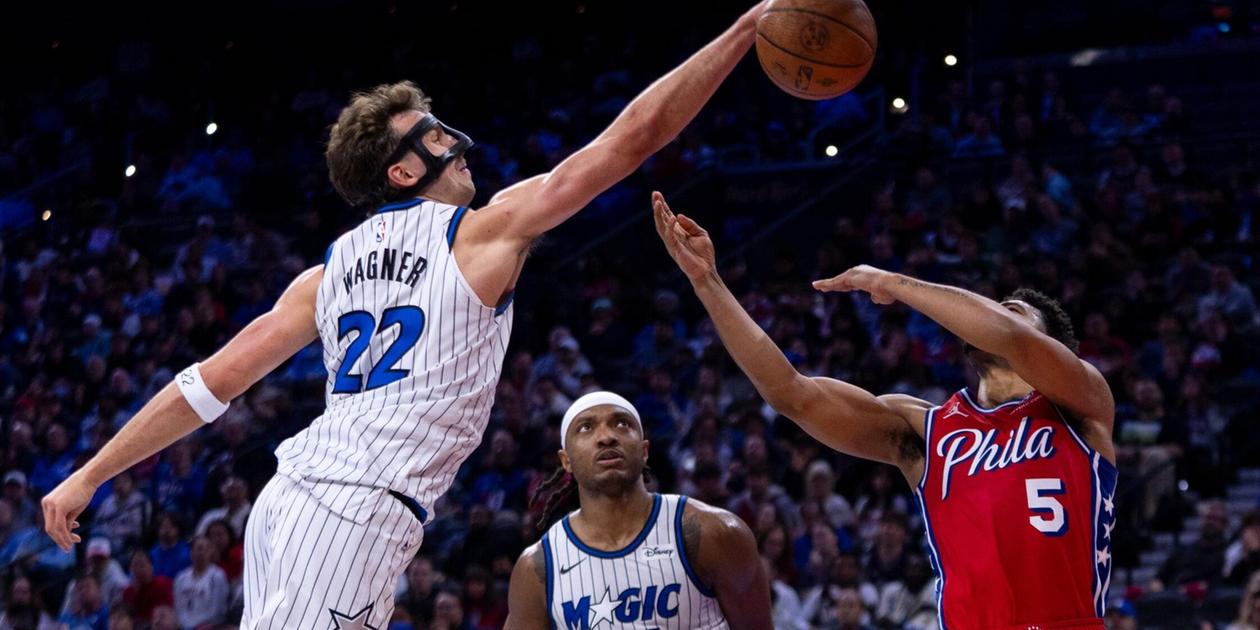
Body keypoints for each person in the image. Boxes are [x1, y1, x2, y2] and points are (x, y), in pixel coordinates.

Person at [40, 3, 770, 627]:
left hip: (298, 506)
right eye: (433, 135)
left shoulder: (321, 278)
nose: (453, 142)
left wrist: (89, 475)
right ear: (401, 171)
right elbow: (629, 140)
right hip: (349, 515)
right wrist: (747, 26)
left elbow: (204, 386)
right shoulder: (481, 233)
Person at [652, 192, 1118, 628]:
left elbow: (1010, 337)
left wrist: (890, 282)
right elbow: (791, 393)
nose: (991, 317)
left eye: (1011, 310)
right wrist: (706, 282)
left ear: (1052, 346)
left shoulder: (1079, 403)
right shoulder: (926, 428)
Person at [504, 392, 772, 629]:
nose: (606, 437)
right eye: (586, 427)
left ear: (644, 451)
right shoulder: (538, 568)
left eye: (622, 423)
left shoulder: (714, 533)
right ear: (566, 461)